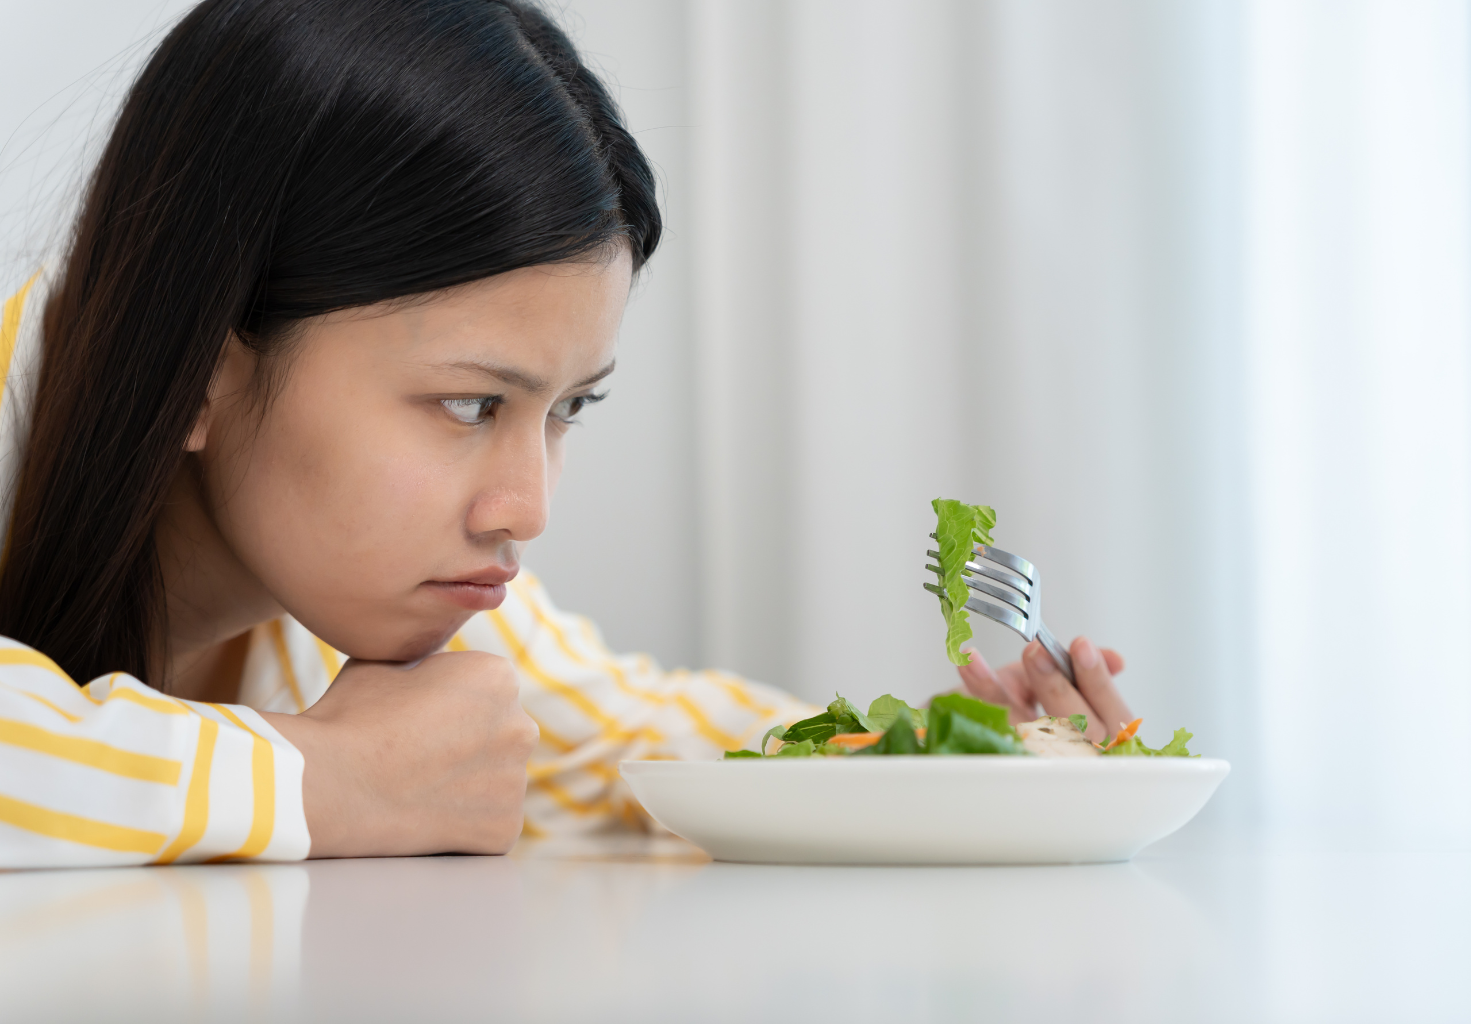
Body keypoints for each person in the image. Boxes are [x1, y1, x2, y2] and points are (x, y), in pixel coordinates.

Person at [0, 0, 1133, 870]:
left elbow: (629, 739)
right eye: (469, 404)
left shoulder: (380, 593)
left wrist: (973, 757)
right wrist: (327, 779)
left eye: (567, 409)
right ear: (202, 359)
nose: (527, 507)